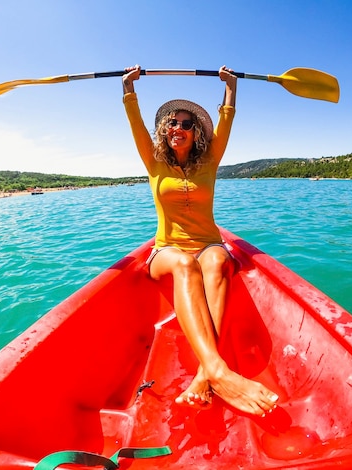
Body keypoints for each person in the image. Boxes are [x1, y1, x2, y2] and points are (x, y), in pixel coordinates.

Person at [122, 64, 279, 417]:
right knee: (184, 262)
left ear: (196, 134)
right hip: (166, 251)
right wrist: (129, 91)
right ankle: (220, 371)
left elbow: (227, 122)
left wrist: (231, 89)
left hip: (209, 242)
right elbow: (134, 125)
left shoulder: (209, 161)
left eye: (186, 124)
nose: (178, 128)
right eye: (172, 123)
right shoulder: (153, 162)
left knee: (218, 260)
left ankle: (203, 375)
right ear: (164, 131)